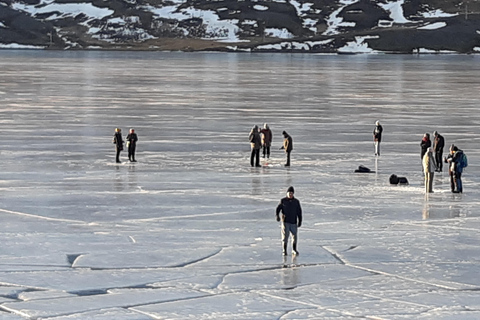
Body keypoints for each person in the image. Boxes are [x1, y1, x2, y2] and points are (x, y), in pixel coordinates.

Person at [275, 186, 302, 256]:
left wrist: (300, 220)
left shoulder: (296, 202)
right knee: (285, 237)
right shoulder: (283, 201)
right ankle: (284, 250)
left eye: (292, 193)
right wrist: (277, 216)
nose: (290, 194)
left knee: (294, 236)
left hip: (294, 222)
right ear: (287, 193)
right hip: (286, 222)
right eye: (289, 193)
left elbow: (299, 212)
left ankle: (294, 249)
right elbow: (278, 209)